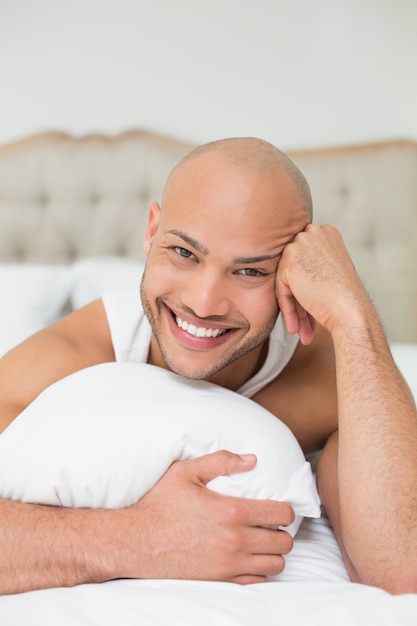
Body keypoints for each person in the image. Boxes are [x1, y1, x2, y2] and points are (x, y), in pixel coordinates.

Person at [0, 137, 416, 596]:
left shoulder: (329, 379)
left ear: (290, 277)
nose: (202, 303)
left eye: (251, 272)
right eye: (184, 253)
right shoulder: (67, 360)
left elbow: (403, 571)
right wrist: (138, 539)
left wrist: (354, 315)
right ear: (152, 230)